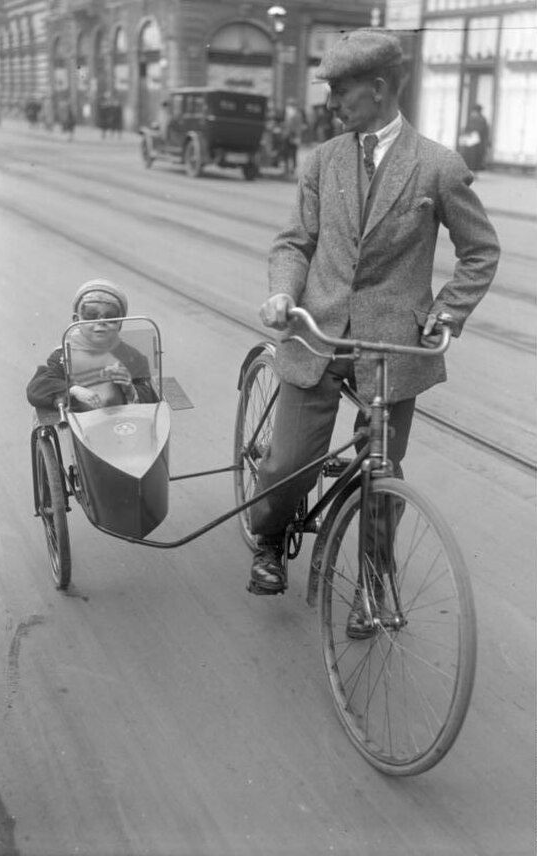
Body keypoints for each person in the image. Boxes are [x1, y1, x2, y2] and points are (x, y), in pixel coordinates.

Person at [248, 30, 500, 628]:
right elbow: (295, 241)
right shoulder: (325, 159)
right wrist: (283, 291)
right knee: (287, 465)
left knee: (380, 473)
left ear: (380, 87)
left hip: (391, 347)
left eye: (341, 89)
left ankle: (372, 587)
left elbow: (480, 251)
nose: (332, 102)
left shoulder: (438, 166)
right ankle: (268, 538)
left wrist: (446, 312)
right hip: (318, 334)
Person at [27, 279, 158, 412]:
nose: (101, 323)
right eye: (91, 316)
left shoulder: (132, 357)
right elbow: (37, 387)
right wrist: (73, 390)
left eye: (110, 317)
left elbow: (152, 397)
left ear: (120, 323)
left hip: (121, 424)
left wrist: (130, 389)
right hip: (76, 425)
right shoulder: (64, 355)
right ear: (77, 320)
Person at [460, 104, 490, 175]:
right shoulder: (471, 118)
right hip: (470, 141)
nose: (473, 113)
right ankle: (469, 171)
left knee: (475, 158)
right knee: (468, 157)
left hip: (478, 143)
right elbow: (467, 128)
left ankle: (475, 172)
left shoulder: (482, 120)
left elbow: (482, 131)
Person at [282, 97, 304, 176]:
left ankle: (293, 168)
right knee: (286, 152)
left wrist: (297, 136)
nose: (289, 106)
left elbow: (298, 127)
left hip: (294, 136)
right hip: (287, 135)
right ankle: (287, 168)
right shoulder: (286, 113)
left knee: (293, 153)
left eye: (291, 104)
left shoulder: (297, 114)